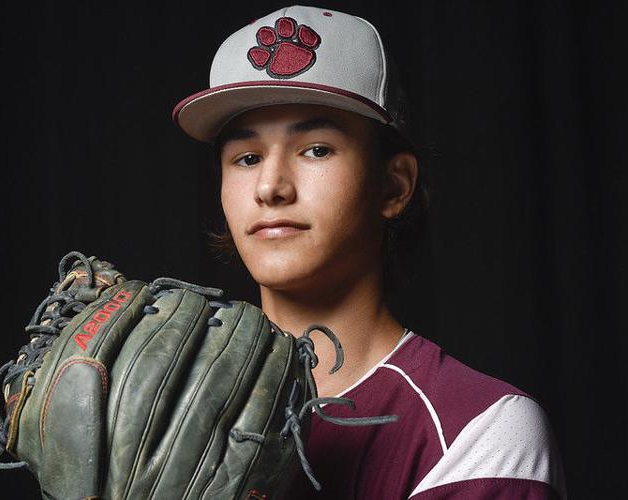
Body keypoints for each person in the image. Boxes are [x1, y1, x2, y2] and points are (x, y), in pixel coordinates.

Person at [171, 5, 567, 499]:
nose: (270, 187)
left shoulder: (478, 427)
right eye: (246, 158)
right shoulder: (170, 411)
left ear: (393, 185)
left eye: (315, 149)